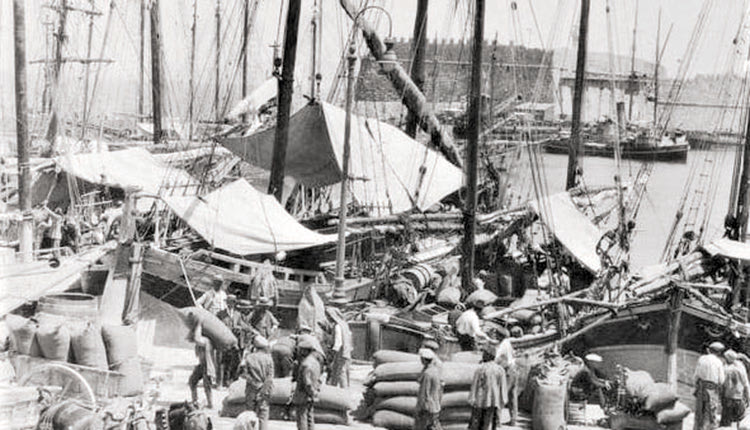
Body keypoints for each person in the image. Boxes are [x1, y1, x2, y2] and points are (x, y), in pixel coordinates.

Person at [468, 346, 507, 430]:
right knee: (489, 422)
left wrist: (472, 398)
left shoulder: (480, 369)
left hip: (480, 400)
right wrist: (503, 400)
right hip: (493, 401)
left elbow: (474, 385)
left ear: (489, 355)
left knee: (477, 422)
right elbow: (503, 387)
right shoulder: (500, 369)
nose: (483, 355)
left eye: (484, 354)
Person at [240, 336, 274, 430]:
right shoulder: (269, 359)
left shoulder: (249, 357)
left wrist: (254, 384)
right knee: (263, 416)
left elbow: (243, 374)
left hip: (251, 389)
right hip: (264, 390)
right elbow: (270, 377)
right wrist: (263, 390)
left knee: (250, 416)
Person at [292, 334, 324, 430]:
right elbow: (319, 379)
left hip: (304, 394)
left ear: (305, 351)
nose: (299, 352)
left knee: (302, 418)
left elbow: (307, 382)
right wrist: (315, 392)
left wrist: (311, 392)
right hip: (311, 394)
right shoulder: (316, 362)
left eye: (301, 350)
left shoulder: (305, 364)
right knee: (310, 417)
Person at [694, 342, 726, 430]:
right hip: (712, 389)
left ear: (710, 350)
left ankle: (698, 428)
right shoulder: (719, 362)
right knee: (711, 412)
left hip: (701, 387)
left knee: (699, 411)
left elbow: (696, 375)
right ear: (719, 352)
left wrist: (696, 385)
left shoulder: (702, 359)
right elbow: (721, 380)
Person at [188, 322, 215, 409]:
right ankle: (195, 400)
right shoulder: (202, 340)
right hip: (202, 365)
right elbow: (191, 338)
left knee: (207, 386)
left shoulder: (206, 340)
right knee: (192, 381)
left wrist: (198, 324)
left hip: (208, 366)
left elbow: (197, 339)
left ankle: (210, 404)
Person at [416, 348, 443, 430]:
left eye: (421, 359)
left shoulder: (427, 374)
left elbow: (424, 393)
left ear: (424, 359)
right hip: (435, 406)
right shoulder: (435, 370)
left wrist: (420, 408)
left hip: (428, 408)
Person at [721, 350, 750, 428]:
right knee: (739, 421)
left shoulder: (725, 368)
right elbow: (746, 385)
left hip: (728, 397)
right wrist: (748, 398)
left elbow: (722, 385)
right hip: (739, 398)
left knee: (726, 423)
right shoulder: (741, 368)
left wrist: (721, 397)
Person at [495, 328, 518, 426]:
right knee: (513, 396)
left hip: (508, 371)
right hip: (514, 370)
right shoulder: (508, 343)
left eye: (496, 335)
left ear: (500, 336)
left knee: (501, 395)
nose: (495, 336)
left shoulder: (502, 345)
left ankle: (497, 421)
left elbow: (497, 359)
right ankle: (513, 420)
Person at [326, 307, 352, 388]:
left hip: (340, 351)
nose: (328, 318)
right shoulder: (344, 324)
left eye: (329, 316)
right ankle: (333, 388)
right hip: (346, 351)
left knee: (340, 371)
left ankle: (344, 389)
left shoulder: (337, 326)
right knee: (338, 371)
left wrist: (332, 353)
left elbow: (338, 341)